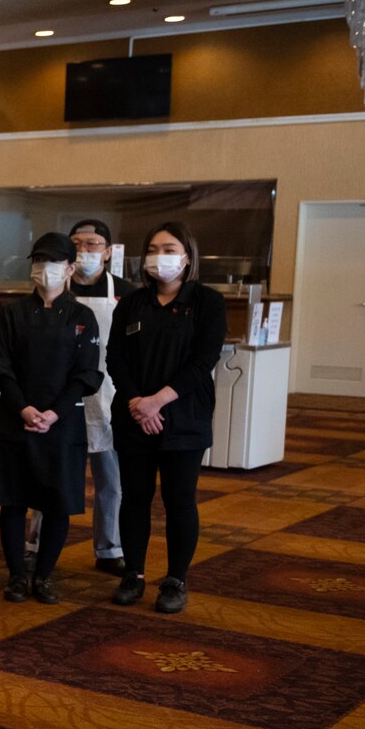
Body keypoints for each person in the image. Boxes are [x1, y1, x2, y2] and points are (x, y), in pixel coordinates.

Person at [0, 233, 104, 606]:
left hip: (62, 422)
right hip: (16, 418)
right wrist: (24, 408)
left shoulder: (83, 317)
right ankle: (17, 575)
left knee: (57, 501)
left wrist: (54, 412)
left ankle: (45, 575)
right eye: (38, 261)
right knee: (13, 500)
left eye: (52, 262)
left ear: (69, 268)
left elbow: (86, 374)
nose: (44, 269)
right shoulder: (11, 313)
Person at [109, 221, 227, 614]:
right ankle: (134, 574)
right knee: (135, 497)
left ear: (187, 257)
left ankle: (175, 580)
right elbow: (115, 358)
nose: (161, 256)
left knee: (179, 500)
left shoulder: (208, 302)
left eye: (170, 248)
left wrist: (158, 401)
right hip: (133, 415)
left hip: (184, 415)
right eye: (154, 249)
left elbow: (204, 360)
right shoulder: (130, 303)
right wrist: (138, 403)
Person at [68, 218, 129, 576]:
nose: (83, 251)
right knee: (54, 476)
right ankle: (37, 546)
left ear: (107, 251)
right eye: (76, 243)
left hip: (109, 397)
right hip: (62, 399)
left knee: (111, 481)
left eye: (92, 244)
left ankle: (110, 548)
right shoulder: (56, 289)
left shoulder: (126, 292)